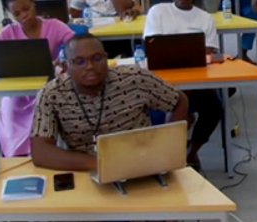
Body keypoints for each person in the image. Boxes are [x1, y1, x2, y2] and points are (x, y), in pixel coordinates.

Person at [30, 35, 189, 171]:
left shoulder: (135, 78)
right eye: (79, 61)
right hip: (88, 169)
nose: (90, 67)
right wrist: (102, 165)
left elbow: (179, 100)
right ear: (66, 67)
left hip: (142, 164)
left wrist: (168, 145)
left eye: (97, 58)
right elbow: (40, 151)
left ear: (107, 58)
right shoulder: (51, 94)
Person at [0, 0, 74, 157]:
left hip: (45, 93)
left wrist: (63, 59)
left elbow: (76, 45)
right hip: (17, 97)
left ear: (34, 1)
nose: (23, 16)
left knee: (46, 125)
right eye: (17, 13)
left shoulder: (54, 26)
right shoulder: (8, 32)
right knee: (11, 123)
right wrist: (6, 60)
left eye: (26, 9)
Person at [144, 0, 224, 171]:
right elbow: (154, 47)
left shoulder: (204, 18)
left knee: (215, 109)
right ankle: (169, 155)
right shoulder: (158, 12)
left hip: (197, 81)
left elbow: (209, 51)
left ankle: (191, 153)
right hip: (163, 83)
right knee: (176, 99)